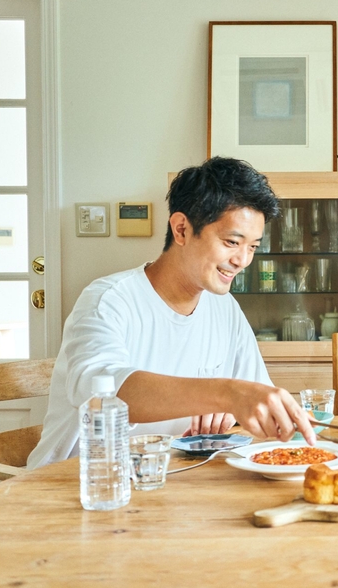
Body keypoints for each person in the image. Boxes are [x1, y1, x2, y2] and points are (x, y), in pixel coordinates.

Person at [28, 157, 315, 469]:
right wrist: (225, 394)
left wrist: (233, 408)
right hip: (80, 485)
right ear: (181, 229)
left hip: (168, 479)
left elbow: (253, 398)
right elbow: (105, 395)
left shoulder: (225, 308)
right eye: (232, 242)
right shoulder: (108, 301)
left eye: (253, 247)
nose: (243, 260)